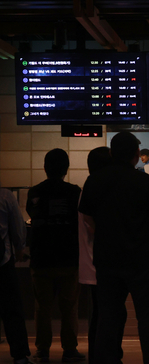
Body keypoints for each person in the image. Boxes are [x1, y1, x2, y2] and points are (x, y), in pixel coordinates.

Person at [79, 132, 149, 364]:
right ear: (136, 157)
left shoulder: (95, 180)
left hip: (108, 261)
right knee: (148, 320)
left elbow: (87, 218)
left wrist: (106, 234)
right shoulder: (145, 182)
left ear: (111, 153)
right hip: (144, 261)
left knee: (108, 319)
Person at [26, 148, 84, 363]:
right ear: (66, 169)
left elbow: (33, 215)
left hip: (41, 258)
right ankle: (69, 349)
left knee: (43, 307)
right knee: (69, 306)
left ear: (45, 167)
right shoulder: (75, 192)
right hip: (69, 258)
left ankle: (42, 350)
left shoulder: (35, 192)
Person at [78, 147, 112, 363]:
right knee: (103, 317)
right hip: (99, 265)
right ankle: (100, 358)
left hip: (92, 264)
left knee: (100, 315)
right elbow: (94, 226)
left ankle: (98, 357)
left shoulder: (87, 189)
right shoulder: (95, 189)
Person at [0, 187, 32, 364]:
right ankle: (19, 355)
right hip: (3, 262)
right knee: (12, 310)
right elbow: (18, 226)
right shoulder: (5, 196)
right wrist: (20, 248)